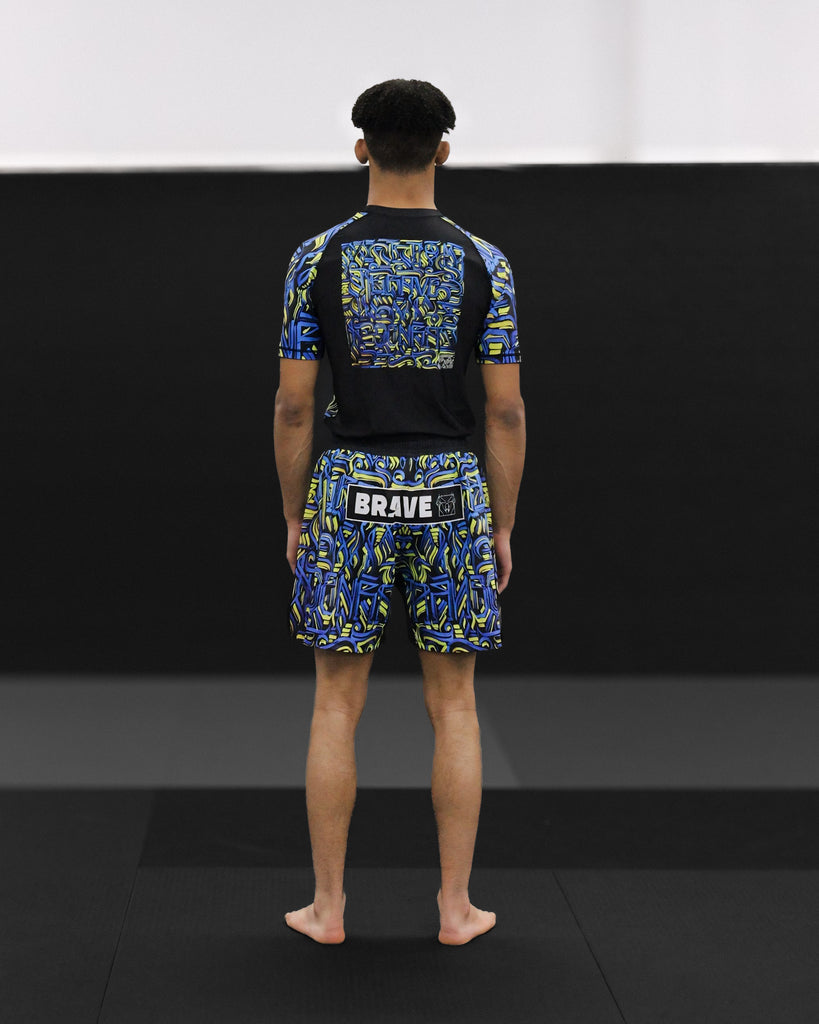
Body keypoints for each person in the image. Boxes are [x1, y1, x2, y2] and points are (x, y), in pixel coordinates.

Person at [275, 78, 525, 946]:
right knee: (454, 705)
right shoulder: (484, 262)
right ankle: (456, 908)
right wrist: (500, 523)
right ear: (443, 150)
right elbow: (504, 412)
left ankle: (328, 908)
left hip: (349, 489)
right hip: (451, 491)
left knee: (333, 705)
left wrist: (295, 514)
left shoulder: (317, 257)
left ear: (361, 149)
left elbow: (294, 405)